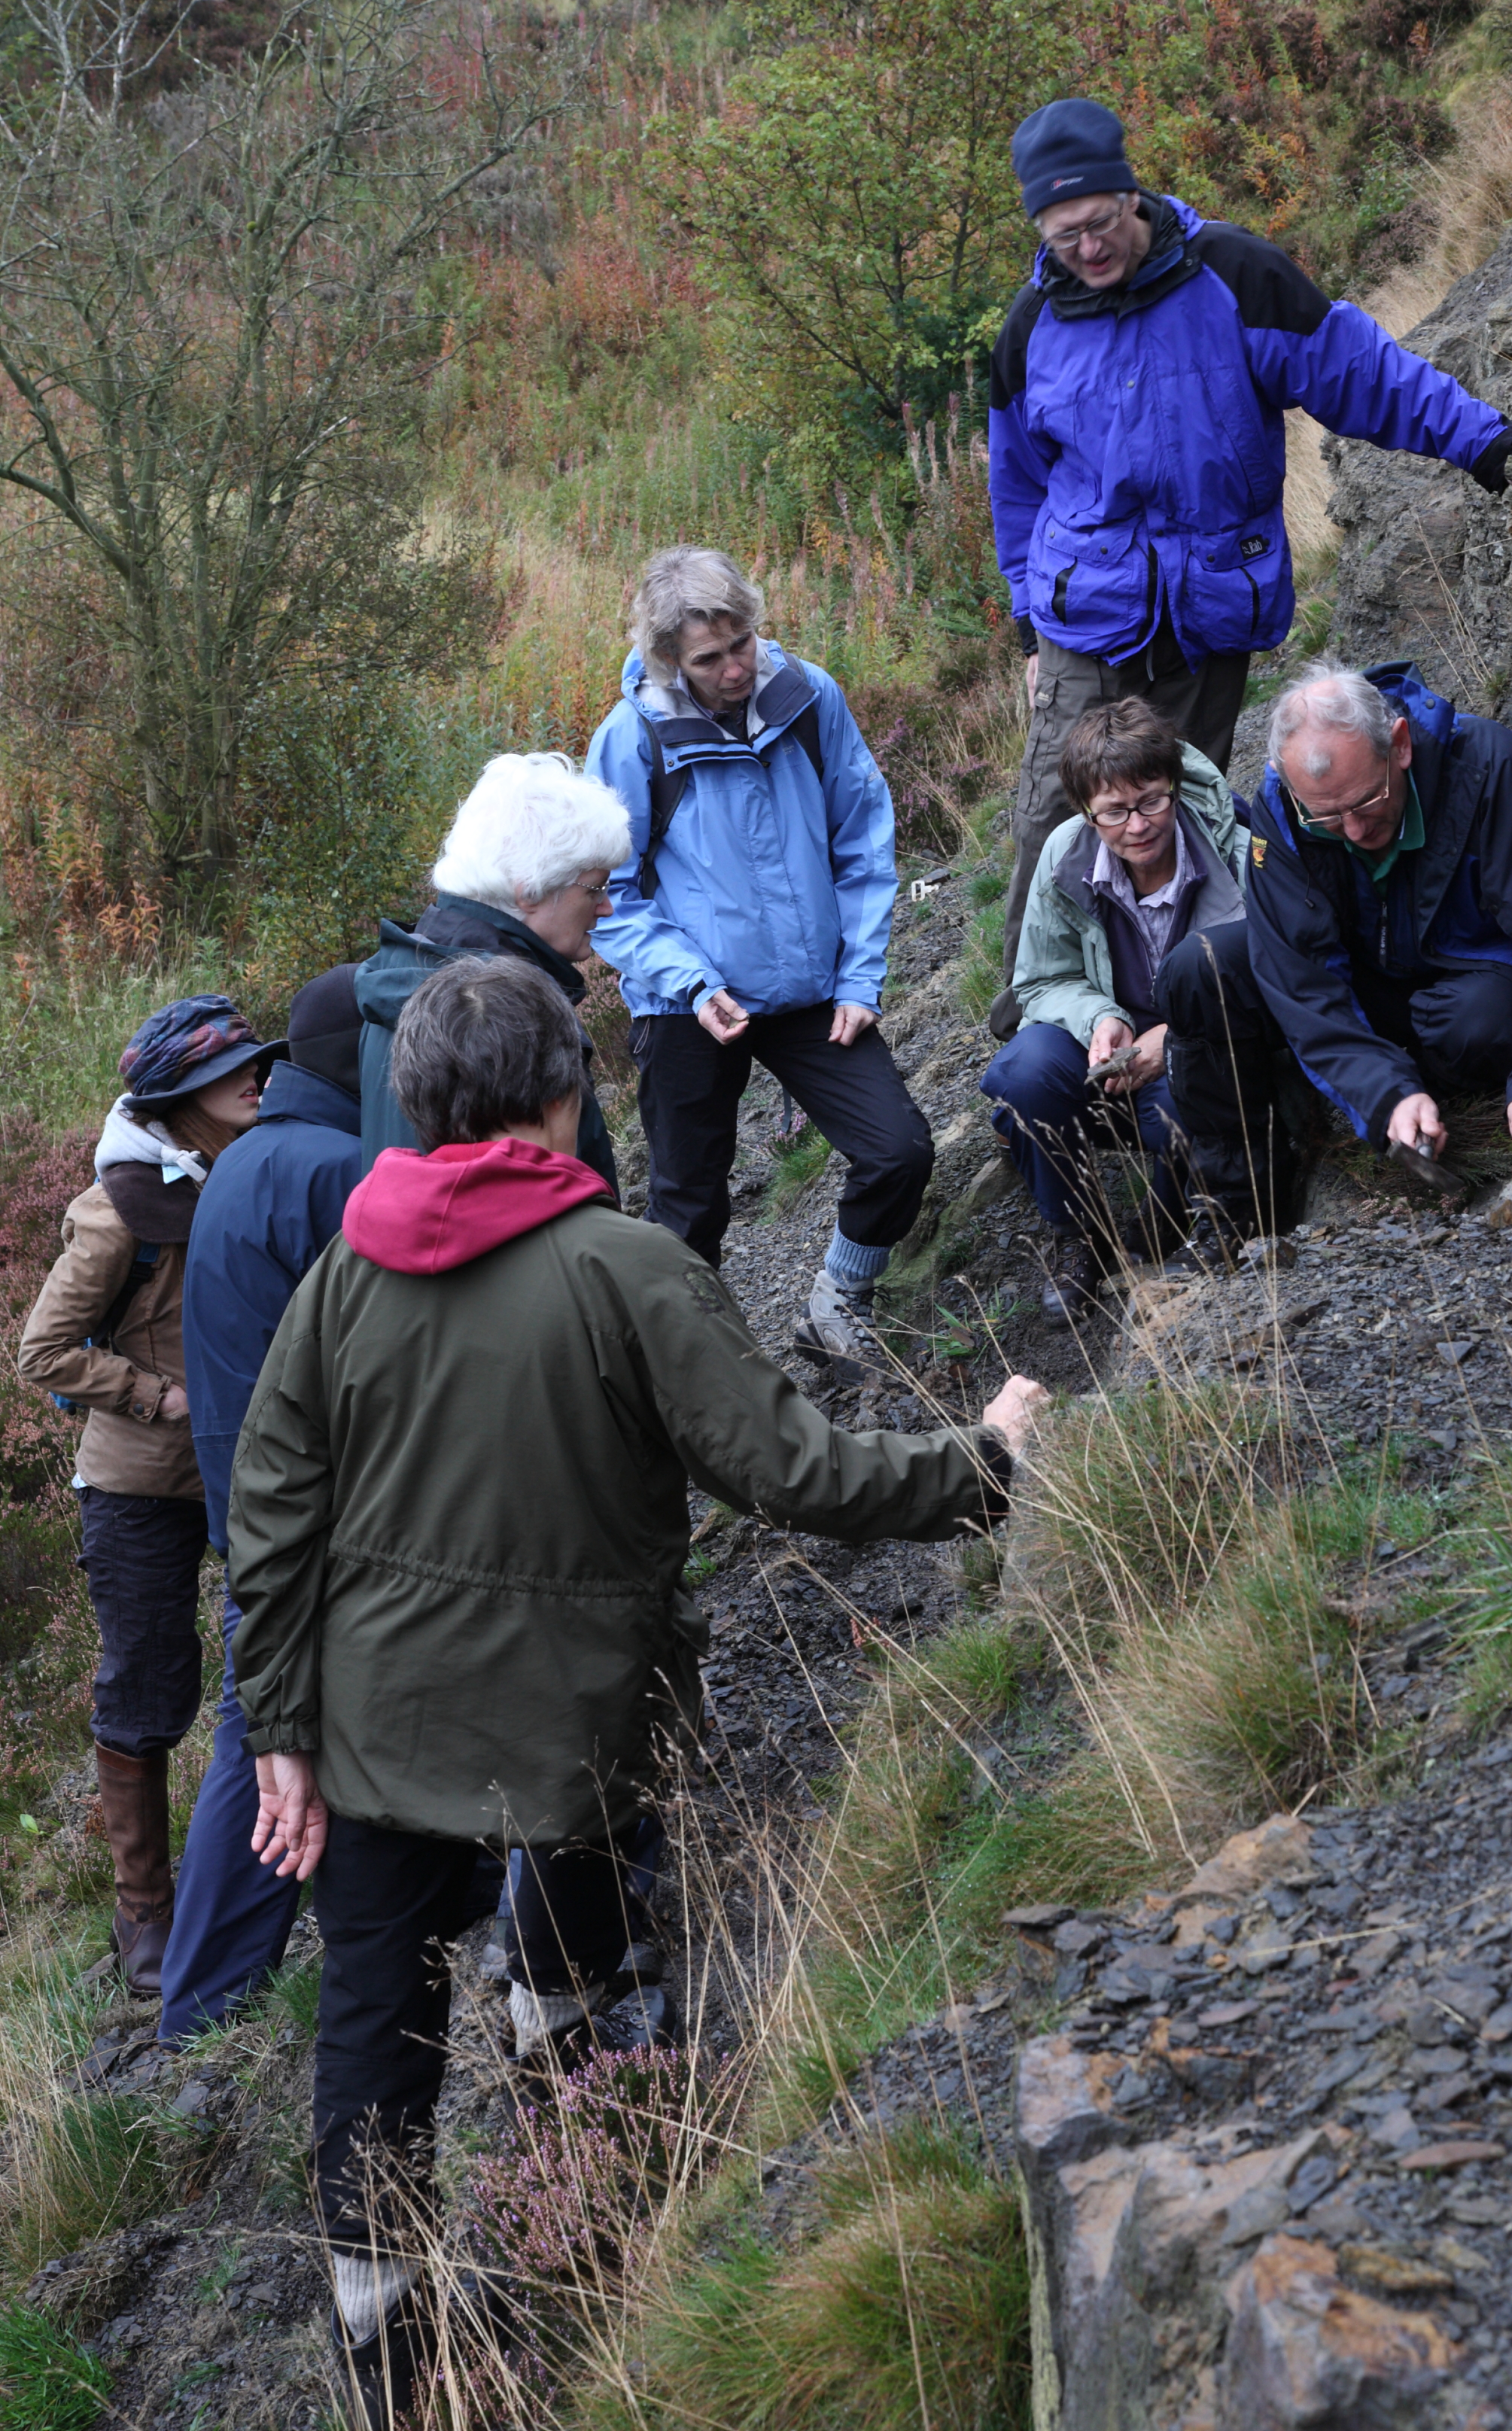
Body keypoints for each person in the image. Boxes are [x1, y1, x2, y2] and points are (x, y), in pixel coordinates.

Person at [229, 956, 1043, 2427]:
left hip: (363, 1731)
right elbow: (797, 1471)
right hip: (578, 1724)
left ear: (410, 1105)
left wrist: (280, 1729)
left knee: (372, 2038)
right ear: (567, 1096)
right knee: (584, 1941)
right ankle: (597, 2203)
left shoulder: (346, 1274)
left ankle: (399, 2378)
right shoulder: (631, 1272)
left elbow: (272, 1515)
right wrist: (980, 1465)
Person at [986, 95, 1512, 1025]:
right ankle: (1035, 1029)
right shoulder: (1031, 323)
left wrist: (1490, 446)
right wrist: (1026, 618)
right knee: (1059, 816)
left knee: (1174, 818)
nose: (1086, 247)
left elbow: (1363, 373)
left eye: (1098, 223)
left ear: (1132, 194)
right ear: (1039, 228)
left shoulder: (1235, 277)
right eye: (1062, 232)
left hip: (1207, 613)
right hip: (1085, 614)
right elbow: (1018, 484)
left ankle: (1180, 1028)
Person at [586, 546, 934, 1380]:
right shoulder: (631, 739)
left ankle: (837, 1305)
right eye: (710, 658)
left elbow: (863, 840)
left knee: (899, 1151)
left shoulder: (810, 698)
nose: (735, 667)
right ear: (670, 657)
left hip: (812, 988)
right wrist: (692, 982)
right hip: (687, 1004)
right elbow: (610, 895)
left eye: (742, 642)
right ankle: (682, 1373)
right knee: (688, 1209)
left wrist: (858, 978)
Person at [17, 996, 281, 1994]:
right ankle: (145, 1913)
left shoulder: (254, 1166)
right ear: (180, 1097)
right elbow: (40, 1350)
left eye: (258, 1062)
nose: (258, 1077)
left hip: (253, 1462)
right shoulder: (118, 1206)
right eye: (236, 1070)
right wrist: (156, 1395)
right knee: (145, 1683)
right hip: (143, 1484)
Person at [156, 966, 366, 2045]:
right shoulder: (328, 1168)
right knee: (261, 1746)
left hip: (256, 1520)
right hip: (304, 1525)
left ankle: (201, 2005)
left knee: (265, 1740)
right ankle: (202, 2014)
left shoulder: (249, 1168)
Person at [1247, 662, 1512, 1170]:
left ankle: (1426, 1081)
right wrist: (1386, 1093)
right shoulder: (1282, 809)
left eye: (1368, 801)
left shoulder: (1492, 767)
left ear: (1401, 744)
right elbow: (1300, 979)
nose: (1355, 830)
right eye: (1325, 816)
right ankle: (1240, 1203)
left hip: (1482, 978)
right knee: (1204, 969)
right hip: (1370, 975)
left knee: (1477, 1022)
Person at [981, 699, 1279, 1321]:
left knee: (1187, 1096)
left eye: (1150, 801)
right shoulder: (1065, 855)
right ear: (1088, 812)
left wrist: (1169, 1040)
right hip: (1105, 1053)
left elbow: (1271, 979)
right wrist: (1100, 1021)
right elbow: (1039, 981)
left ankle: (1175, 1219)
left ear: (1172, 785)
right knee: (1024, 1074)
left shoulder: (1234, 850)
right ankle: (1080, 1238)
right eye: (1113, 812)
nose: (1136, 826)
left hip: (1204, 1054)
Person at [354, 750, 631, 1185]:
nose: (607, 907)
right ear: (530, 891)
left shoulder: (397, 975)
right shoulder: (515, 1016)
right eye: (595, 888)